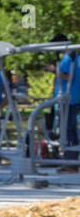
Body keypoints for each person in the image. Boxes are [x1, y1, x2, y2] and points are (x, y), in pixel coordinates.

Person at [44, 33, 78, 165]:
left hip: (67, 99)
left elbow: (67, 76)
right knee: (70, 129)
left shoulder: (69, 57)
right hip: (68, 98)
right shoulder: (72, 56)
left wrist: (53, 69)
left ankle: (70, 160)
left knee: (67, 130)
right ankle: (71, 158)